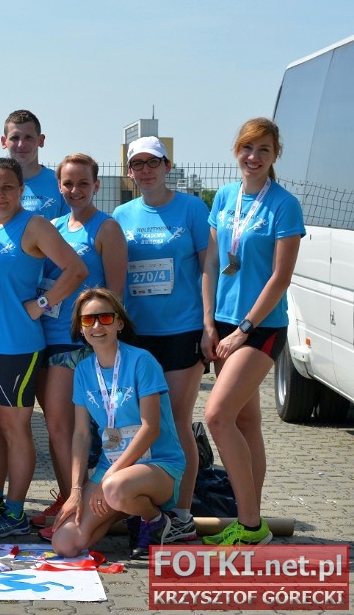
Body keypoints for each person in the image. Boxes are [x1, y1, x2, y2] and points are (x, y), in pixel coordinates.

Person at [0, 158, 86, 538]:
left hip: (16, 347)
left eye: (8, 187)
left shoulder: (33, 225)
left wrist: (41, 304)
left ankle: (16, 510)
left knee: (14, 429)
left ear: (22, 190)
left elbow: (76, 270)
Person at [201, 118, 304, 546]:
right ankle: (250, 517)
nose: (254, 157)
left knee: (217, 416)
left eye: (264, 149)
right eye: (247, 148)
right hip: (222, 323)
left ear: (275, 154)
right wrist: (209, 322)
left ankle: (249, 524)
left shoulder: (284, 204)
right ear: (236, 151)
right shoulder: (225, 197)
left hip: (261, 327)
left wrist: (244, 329)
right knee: (245, 421)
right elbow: (211, 262)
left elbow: (280, 277)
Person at [112, 136, 211, 545]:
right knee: (141, 425)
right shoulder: (121, 214)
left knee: (176, 421)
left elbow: (209, 268)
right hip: (137, 335)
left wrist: (208, 324)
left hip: (181, 332)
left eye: (153, 162)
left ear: (168, 166)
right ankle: (149, 508)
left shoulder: (192, 208)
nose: (146, 170)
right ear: (129, 172)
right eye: (137, 164)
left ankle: (183, 514)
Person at [50, 288, 185, 560]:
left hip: (158, 464)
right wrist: (76, 490)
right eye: (88, 320)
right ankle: (129, 510)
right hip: (113, 470)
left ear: (119, 323)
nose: (97, 326)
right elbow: (81, 435)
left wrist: (109, 477)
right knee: (65, 543)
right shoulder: (83, 370)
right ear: (80, 328)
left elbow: (151, 428)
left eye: (105, 318)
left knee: (114, 488)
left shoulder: (142, 361)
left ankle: (156, 521)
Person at [35, 154, 126, 537]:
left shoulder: (107, 228)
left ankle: (89, 503)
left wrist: (105, 343)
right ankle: (68, 497)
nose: (75, 190)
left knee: (79, 427)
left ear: (96, 186)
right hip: (47, 339)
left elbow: (116, 294)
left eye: (83, 183)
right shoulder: (54, 227)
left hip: (82, 344)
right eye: (68, 184)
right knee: (57, 426)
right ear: (59, 186)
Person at [1, 110, 68, 221]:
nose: (21, 145)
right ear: (4, 142)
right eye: (15, 138)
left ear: (41, 140)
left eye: (28, 137)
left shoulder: (60, 183)